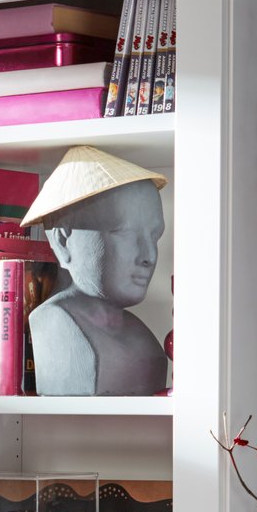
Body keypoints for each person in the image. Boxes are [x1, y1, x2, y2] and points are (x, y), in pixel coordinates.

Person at [21, 146, 169, 398]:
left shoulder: (145, 341)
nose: (149, 256)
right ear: (63, 239)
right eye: (124, 233)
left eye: (155, 236)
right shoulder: (54, 325)